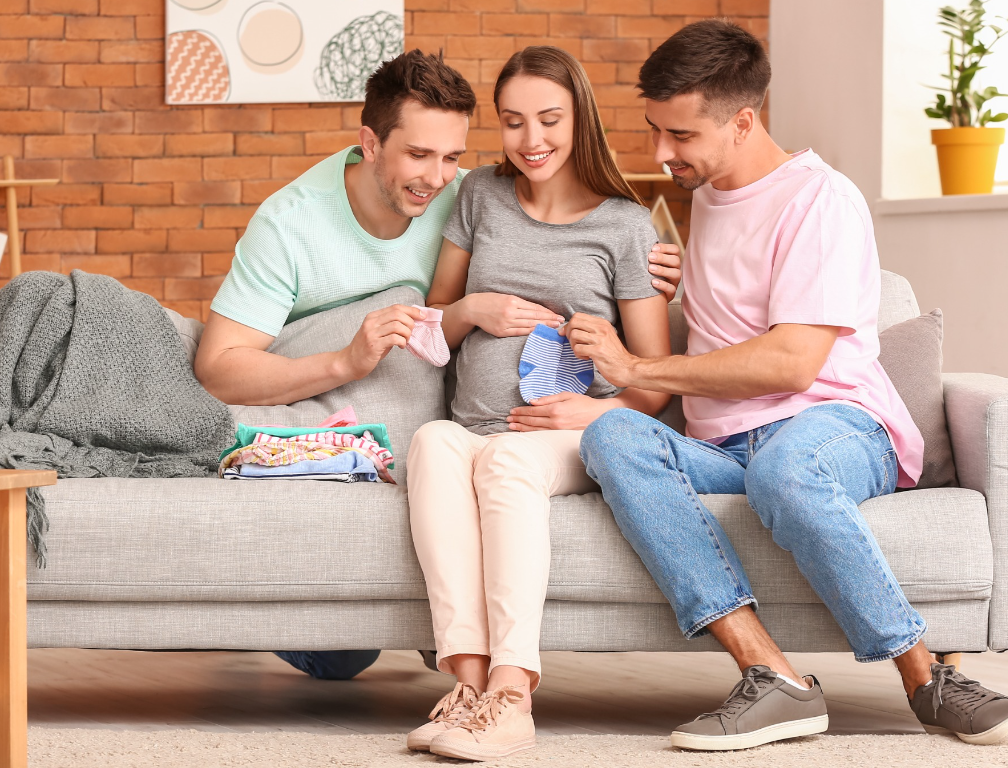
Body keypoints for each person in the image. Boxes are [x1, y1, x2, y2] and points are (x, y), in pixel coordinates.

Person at [572, 20, 1008, 751]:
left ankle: (928, 676)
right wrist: (678, 284)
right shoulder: (710, 194)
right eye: (656, 130)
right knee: (612, 434)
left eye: (680, 135)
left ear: (743, 120)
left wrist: (638, 369)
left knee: (785, 470)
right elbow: (740, 313)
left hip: (837, 425)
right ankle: (773, 679)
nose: (661, 153)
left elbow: (791, 363)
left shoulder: (821, 199)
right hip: (727, 445)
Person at [194, 51, 684, 682]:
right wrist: (376, 346)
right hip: (397, 422)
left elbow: (642, 359)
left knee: (489, 463)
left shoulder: (533, 207)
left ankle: (501, 686)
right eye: (418, 155)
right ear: (370, 144)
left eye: (451, 156)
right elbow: (222, 369)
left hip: (525, 435)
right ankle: (437, 670)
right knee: (341, 655)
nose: (437, 175)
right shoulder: (314, 222)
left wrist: (663, 278)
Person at [401, 47, 672, 762]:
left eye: (549, 119)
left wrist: (597, 410)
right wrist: (473, 309)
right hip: (474, 425)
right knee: (431, 442)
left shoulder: (624, 225)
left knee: (511, 463)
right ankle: (467, 689)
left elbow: (653, 379)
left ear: (579, 117)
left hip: (566, 434)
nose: (532, 140)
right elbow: (435, 321)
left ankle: (513, 695)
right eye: (514, 122)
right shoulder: (481, 197)